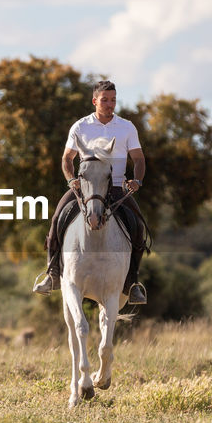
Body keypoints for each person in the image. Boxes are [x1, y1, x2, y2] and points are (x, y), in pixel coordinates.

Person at [32, 79, 148, 304]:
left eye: (113, 100)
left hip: (115, 188)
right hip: (85, 188)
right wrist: (71, 179)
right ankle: (52, 274)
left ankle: (132, 283)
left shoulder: (127, 127)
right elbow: (67, 158)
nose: (110, 104)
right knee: (57, 219)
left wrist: (137, 180)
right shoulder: (80, 126)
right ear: (95, 101)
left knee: (139, 226)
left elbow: (139, 159)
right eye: (105, 100)